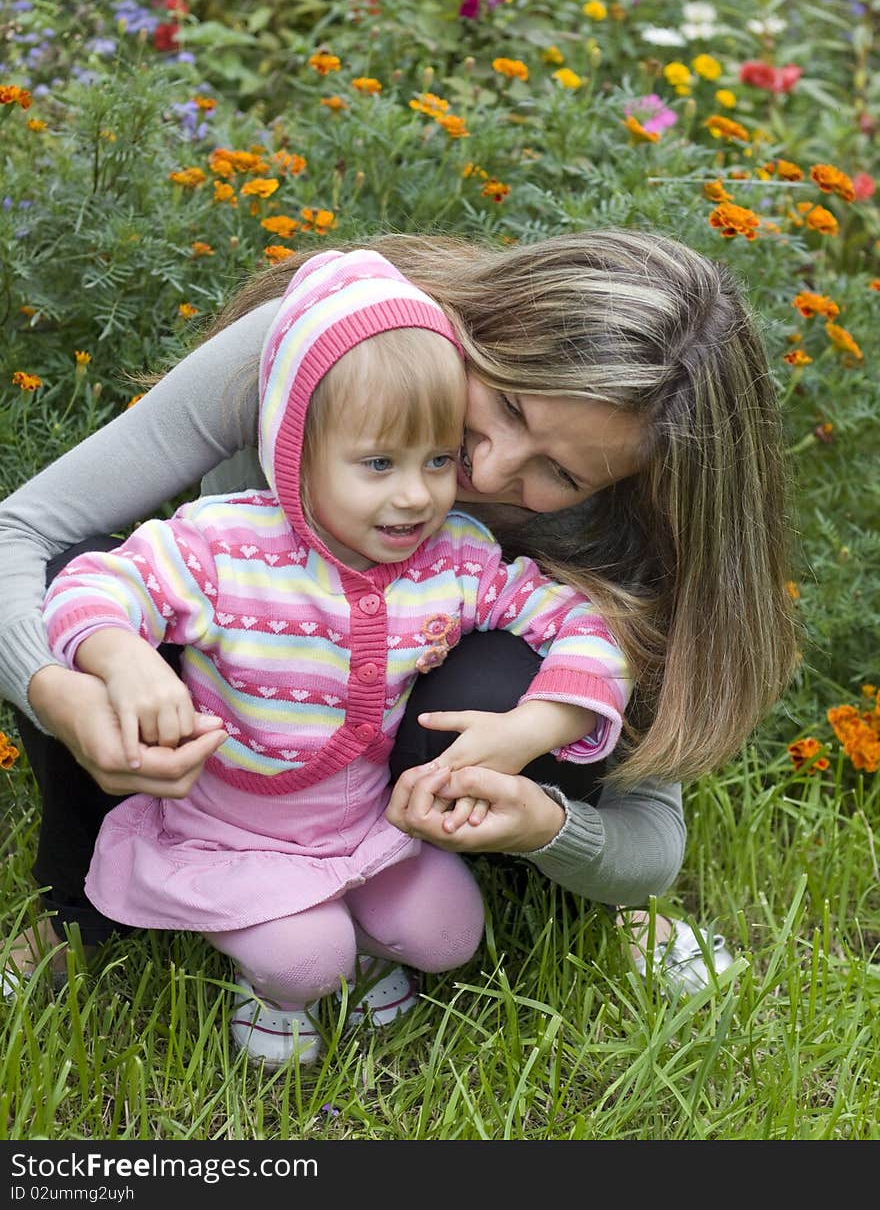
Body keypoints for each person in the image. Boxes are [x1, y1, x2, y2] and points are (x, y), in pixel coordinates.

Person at [0, 228, 797, 1007]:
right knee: (75, 583)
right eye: (509, 405)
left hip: (389, 754)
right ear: (484, 326)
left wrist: (548, 826)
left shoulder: (620, 531)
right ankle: (82, 902)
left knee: (509, 688)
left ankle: (534, 901)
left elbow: (652, 833)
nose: (487, 469)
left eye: (560, 472)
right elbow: (20, 529)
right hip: (237, 701)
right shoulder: (320, 347)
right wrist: (54, 689)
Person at [38, 248, 632, 1066]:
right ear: (296, 451)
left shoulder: (454, 561)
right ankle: (281, 983)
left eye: (436, 459)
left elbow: (580, 626)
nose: (416, 495)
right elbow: (90, 584)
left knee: (450, 933)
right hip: (233, 821)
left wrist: (538, 723)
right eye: (378, 464)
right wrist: (122, 659)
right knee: (303, 958)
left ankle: (366, 947)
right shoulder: (225, 546)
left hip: (367, 820)